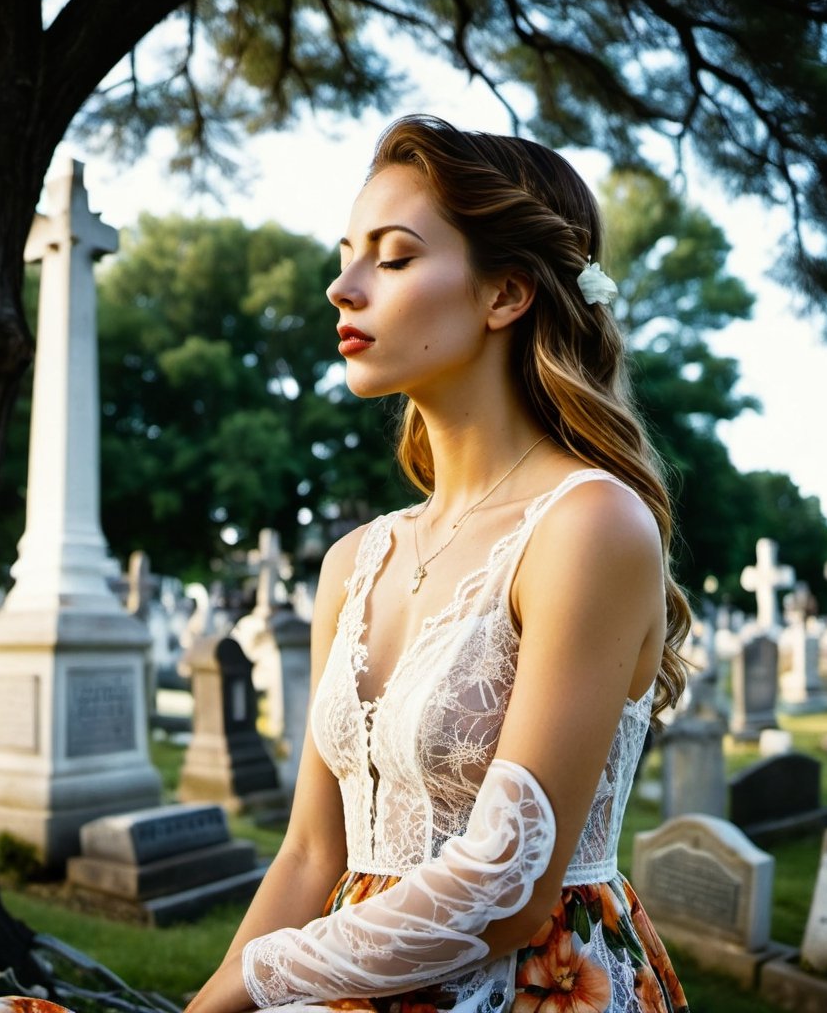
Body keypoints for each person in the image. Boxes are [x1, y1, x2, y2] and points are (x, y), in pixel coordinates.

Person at [184, 114, 692, 1013]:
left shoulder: (589, 525)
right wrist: (212, 1003)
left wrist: (255, 983)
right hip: (338, 987)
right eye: (346, 255)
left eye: (394, 256)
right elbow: (312, 854)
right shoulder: (356, 559)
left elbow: (507, 887)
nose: (343, 288)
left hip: (530, 985)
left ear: (505, 294)